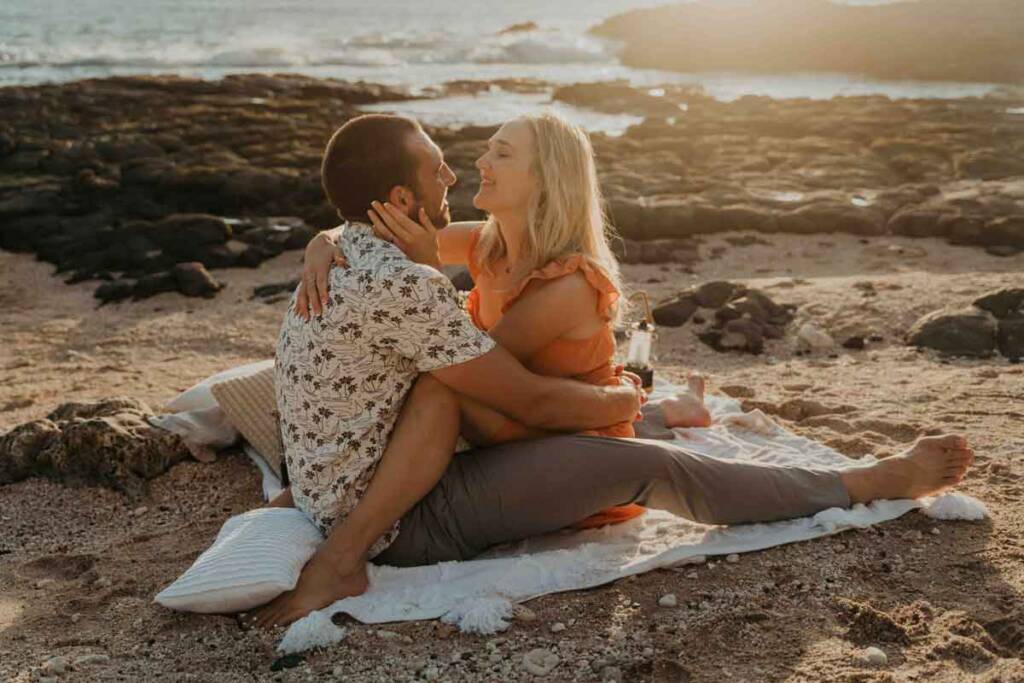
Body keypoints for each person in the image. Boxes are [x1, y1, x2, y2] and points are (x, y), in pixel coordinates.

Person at [247, 114, 974, 629]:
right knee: (646, 460)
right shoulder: (442, 260)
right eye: (443, 161)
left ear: (545, 182)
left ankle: (841, 472)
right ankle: (862, 479)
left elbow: (512, 399)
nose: (464, 167)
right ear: (399, 201)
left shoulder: (494, 271)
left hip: (487, 437)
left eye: (498, 153)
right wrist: (622, 396)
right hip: (431, 488)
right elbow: (520, 397)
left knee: (606, 435)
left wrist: (619, 401)